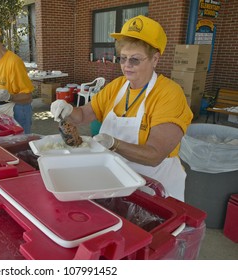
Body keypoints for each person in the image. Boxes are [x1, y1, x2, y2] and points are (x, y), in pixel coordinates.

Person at [51, 15, 193, 201]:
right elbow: (84, 115)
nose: (126, 66)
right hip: (115, 181)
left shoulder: (169, 94)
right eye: (122, 58)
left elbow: (154, 155)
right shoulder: (117, 86)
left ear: (155, 59)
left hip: (154, 190)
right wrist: (68, 110)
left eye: (134, 60)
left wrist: (114, 144)